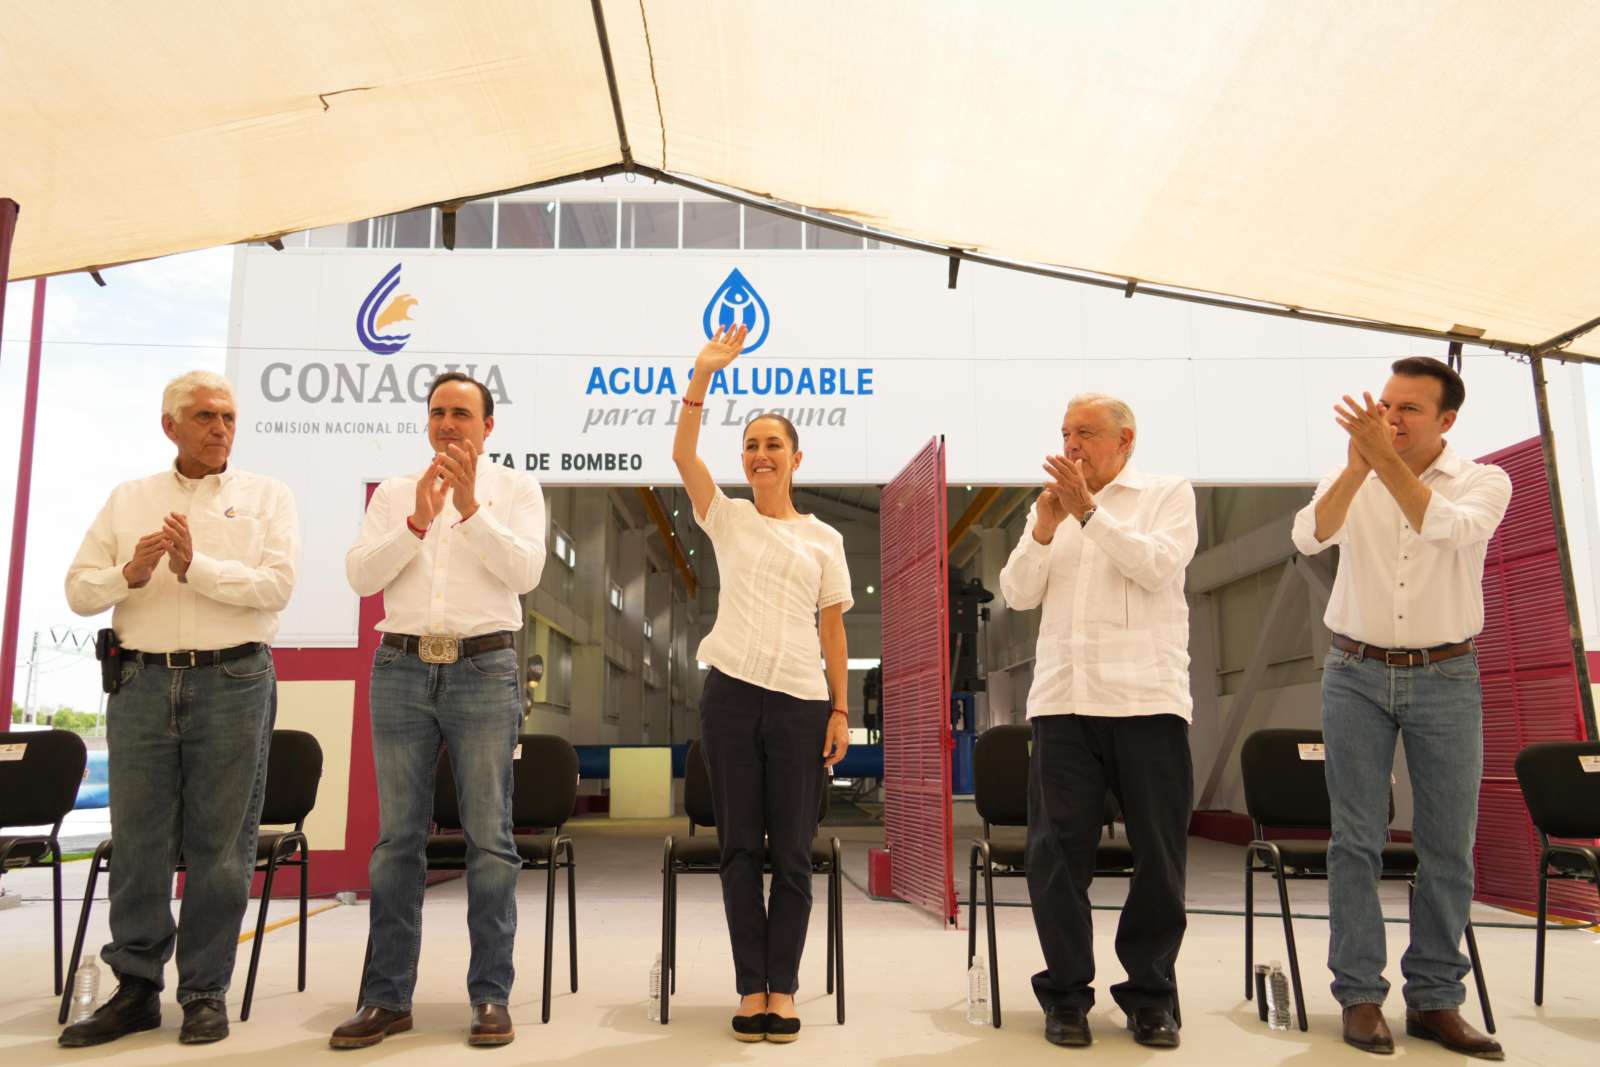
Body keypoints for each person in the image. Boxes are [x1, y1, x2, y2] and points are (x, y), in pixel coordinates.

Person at [61, 371, 299, 1048]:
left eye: (228, 416)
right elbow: (80, 590)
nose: (221, 428)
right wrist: (126, 577)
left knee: (221, 846)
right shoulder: (129, 498)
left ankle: (203, 992)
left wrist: (199, 570)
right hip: (140, 681)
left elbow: (276, 587)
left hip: (233, 677)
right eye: (204, 417)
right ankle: (135, 988)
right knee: (137, 843)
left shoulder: (266, 496)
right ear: (170, 426)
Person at [1291, 357, 1509, 1059]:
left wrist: (1386, 465)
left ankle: (1436, 998)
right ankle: (1359, 994)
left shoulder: (1483, 482)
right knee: (1355, 839)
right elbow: (1307, 535)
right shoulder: (1353, 473)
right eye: (1385, 403)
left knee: (1447, 842)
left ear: (1446, 420)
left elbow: (1445, 529)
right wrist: (1360, 467)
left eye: (1409, 408)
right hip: (1354, 670)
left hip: (1446, 675)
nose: (1391, 417)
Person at [333, 372, 546, 1049]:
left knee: (490, 840)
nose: (448, 423)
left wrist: (471, 509)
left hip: (485, 667)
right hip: (399, 667)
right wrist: (421, 519)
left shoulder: (516, 489)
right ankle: (387, 997)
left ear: (488, 426)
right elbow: (363, 576)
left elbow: (526, 573)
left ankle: (490, 995)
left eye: (462, 413)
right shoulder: (396, 493)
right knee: (398, 840)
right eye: (438, 413)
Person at [997, 393, 1197, 1049]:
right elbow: (1018, 592)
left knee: (1160, 860)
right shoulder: (1048, 505)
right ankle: (1066, 994)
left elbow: (1156, 567)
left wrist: (1089, 510)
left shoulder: (1166, 494)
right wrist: (1047, 526)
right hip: (1062, 703)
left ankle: (1150, 995)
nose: (1071, 443)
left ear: (1125, 438)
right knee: (1054, 859)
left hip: (1148, 701)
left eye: (1084, 431)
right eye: (1064, 432)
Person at [672, 324, 853, 1043]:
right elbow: (684, 454)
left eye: (772, 444)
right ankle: (752, 986)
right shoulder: (728, 517)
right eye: (750, 445)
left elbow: (834, 630)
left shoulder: (824, 539)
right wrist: (702, 376)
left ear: (796, 457)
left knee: (792, 854)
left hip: (804, 705)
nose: (759, 454)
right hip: (731, 698)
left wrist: (841, 707)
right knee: (740, 847)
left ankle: (786, 986)